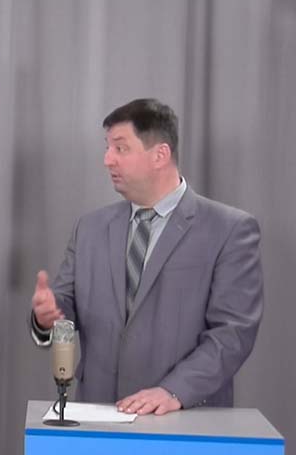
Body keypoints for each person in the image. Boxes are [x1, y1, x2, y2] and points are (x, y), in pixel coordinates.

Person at [30, 98, 263, 415]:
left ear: (160, 155)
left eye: (120, 148)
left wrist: (174, 391)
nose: (107, 160)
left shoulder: (229, 229)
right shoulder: (90, 228)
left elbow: (233, 333)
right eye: (107, 148)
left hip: (183, 420)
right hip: (99, 418)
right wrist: (47, 317)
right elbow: (64, 305)